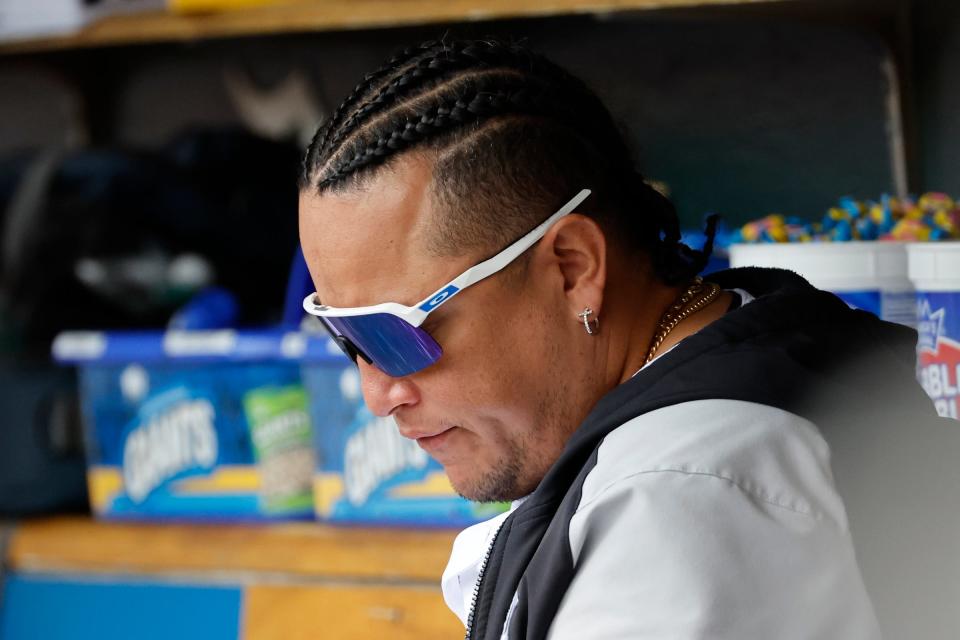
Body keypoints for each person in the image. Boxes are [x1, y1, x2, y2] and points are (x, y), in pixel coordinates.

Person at [297, 38, 935, 639]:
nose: (377, 391)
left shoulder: (682, 501)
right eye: (342, 335)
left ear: (572, 268)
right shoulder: (759, 334)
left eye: (391, 332)